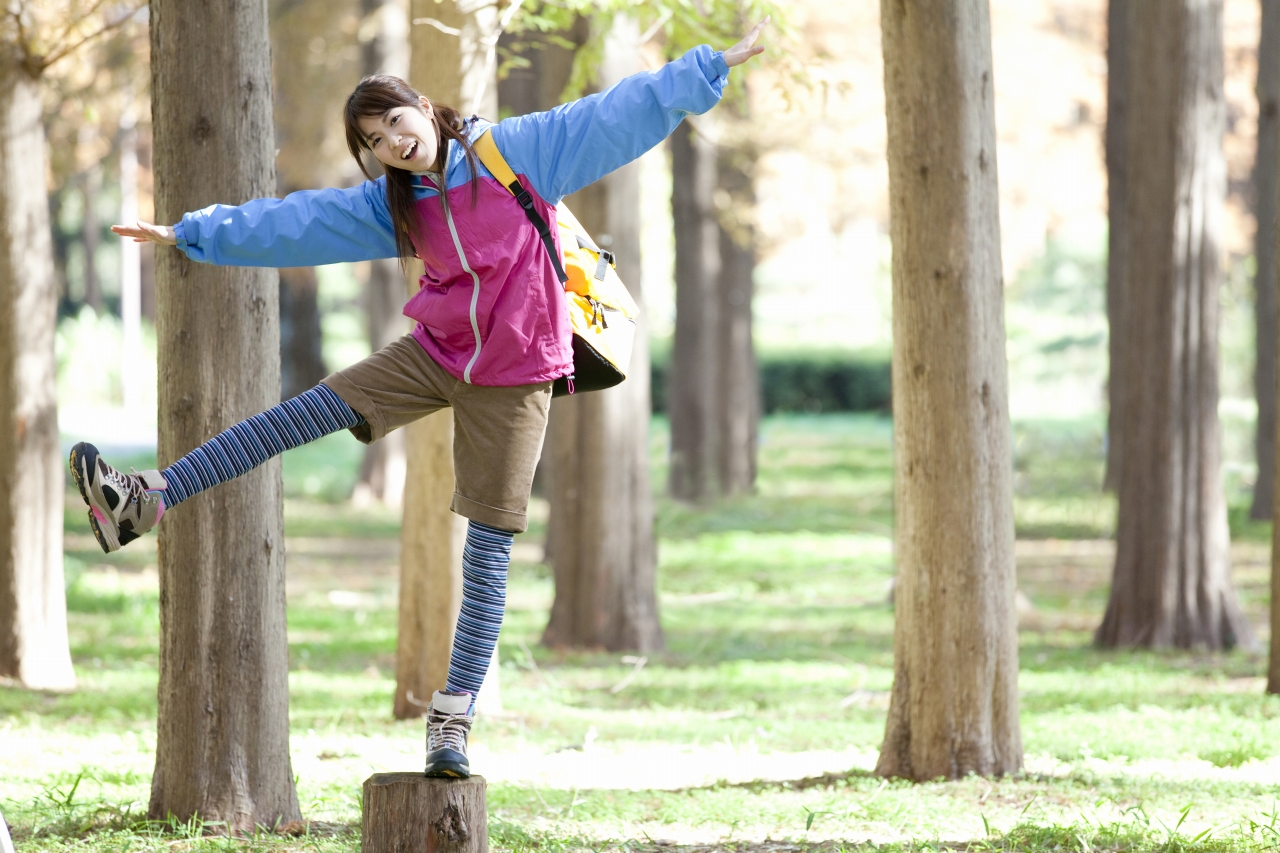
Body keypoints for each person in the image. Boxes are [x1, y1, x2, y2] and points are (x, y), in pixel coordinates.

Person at [73, 21, 768, 778]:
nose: (391, 142)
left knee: (488, 551)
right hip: (436, 352)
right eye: (374, 139)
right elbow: (296, 222)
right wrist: (191, 232)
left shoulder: (519, 152)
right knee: (298, 415)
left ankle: (452, 721)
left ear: (425, 109)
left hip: (515, 374)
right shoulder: (393, 205)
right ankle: (145, 496)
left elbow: (611, 114)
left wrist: (706, 68)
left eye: (395, 121)